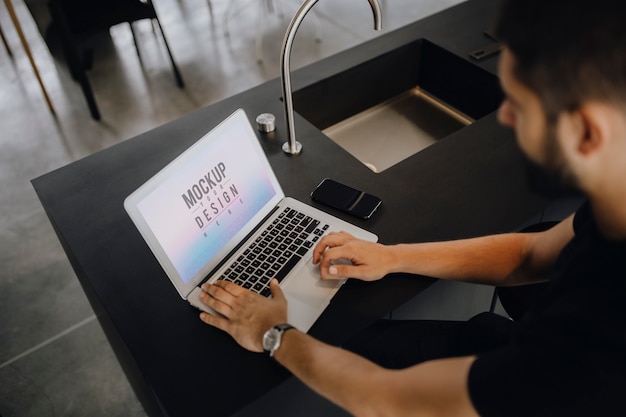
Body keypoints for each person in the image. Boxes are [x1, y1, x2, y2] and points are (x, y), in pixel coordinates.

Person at [197, 0, 626, 415]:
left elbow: (390, 402)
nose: (506, 117)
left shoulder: (594, 345)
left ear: (587, 132)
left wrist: (273, 334)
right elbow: (529, 254)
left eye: (520, 104)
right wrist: (392, 256)